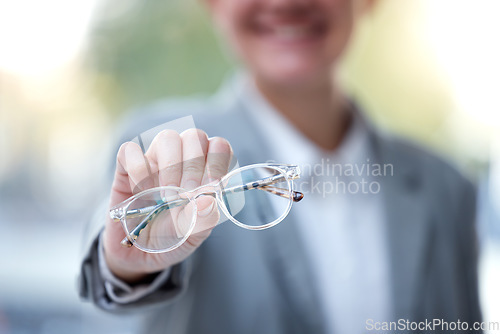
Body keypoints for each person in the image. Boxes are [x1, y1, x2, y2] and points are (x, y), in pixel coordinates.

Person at [79, 0, 482, 333]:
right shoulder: (162, 151)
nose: (286, 3)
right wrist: (126, 268)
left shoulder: (447, 188)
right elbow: (115, 309)